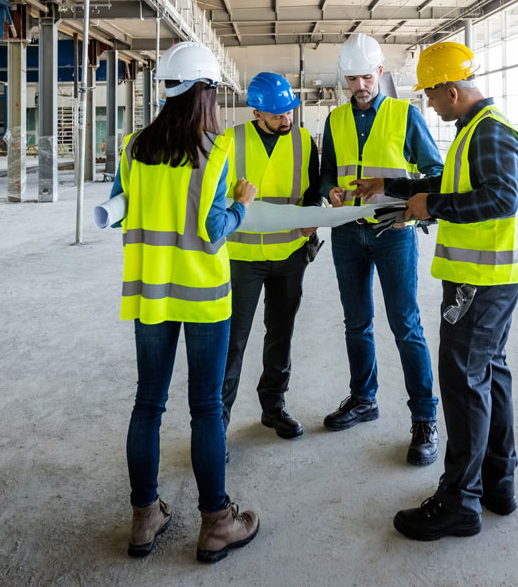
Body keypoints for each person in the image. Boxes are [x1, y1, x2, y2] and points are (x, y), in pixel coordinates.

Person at [353, 41, 518, 540]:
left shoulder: (490, 133)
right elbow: (446, 180)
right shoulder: (474, 130)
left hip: (481, 280)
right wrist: (391, 188)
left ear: (452, 90)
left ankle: (459, 502)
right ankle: (497, 483)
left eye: (432, 97)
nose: (429, 105)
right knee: (490, 376)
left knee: (462, 385)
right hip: (490, 277)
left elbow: (499, 197)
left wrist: (427, 209)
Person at [112, 41, 261, 563]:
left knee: (147, 404)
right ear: (206, 92)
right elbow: (212, 229)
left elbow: (120, 207)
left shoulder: (133, 148)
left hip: (151, 292)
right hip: (201, 295)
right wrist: (241, 205)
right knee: (206, 409)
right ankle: (218, 523)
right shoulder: (215, 152)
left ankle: (143, 517)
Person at [320, 33, 444, 466]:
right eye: (351, 79)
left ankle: (425, 419)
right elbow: (325, 174)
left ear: (380, 73)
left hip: (394, 232)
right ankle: (363, 399)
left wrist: (415, 211)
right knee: (357, 323)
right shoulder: (334, 121)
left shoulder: (405, 115)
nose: (359, 86)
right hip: (346, 232)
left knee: (406, 325)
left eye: (366, 76)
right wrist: (330, 190)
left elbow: (436, 173)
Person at [221, 72, 320, 444]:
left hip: (290, 254)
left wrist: (312, 217)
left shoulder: (303, 140)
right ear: (256, 112)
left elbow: (311, 190)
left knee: (281, 334)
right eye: (277, 115)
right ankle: (218, 422)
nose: (286, 119)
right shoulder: (230, 141)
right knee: (233, 340)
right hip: (241, 256)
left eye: (289, 112)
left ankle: (273, 407)